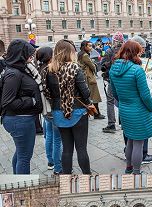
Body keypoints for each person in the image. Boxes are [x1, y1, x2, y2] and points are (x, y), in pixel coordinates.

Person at [109, 40, 152, 175]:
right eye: (138, 52)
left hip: (124, 110)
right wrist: (151, 108)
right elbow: (145, 95)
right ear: (134, 53)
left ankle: (128, 167)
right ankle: (136, 172)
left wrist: (124, 102)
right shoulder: (137, 70)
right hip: (138, 111)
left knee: (130, 140)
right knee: (138, 143)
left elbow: (114, 93)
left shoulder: (113, 68)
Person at [46, 39, 93, 175]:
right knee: (81, 148)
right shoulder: (74, 68)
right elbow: (85, 92)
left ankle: (66, 177)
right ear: (69, 53)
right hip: (77, 111)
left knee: (66, 149)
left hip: (58, 112)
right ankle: (87, 177)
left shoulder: (50, 69)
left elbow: (47, 92)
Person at [1, 39, 43, 174]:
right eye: (28, 54)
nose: (31, 57)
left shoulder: (21, 69)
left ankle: (16, 177)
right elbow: (7, 102)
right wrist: (32, 101)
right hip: (19, 120)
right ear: (20, 54)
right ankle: (23, 187)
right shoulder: (14, 73)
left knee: (21, 154)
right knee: (24, 157)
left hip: (21, 119)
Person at [36, 46, 62, 174]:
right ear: (49, 56)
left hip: (45, 111)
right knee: (57, 138)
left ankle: (50, 161)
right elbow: (55, 91)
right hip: (52, 109)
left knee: (49, 136)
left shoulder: (39, 69)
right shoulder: (50, 70)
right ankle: (58, 167)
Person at [101, 32, 124, 133]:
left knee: (110, 101)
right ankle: (123, 123)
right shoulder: (126, 51)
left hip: (112, 80)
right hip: (124, 80)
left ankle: (111, 124)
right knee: (123, 101)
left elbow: (102, 66)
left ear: (113, 40)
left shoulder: (109, 51)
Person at [78, 41, 104, 120]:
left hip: (85, 78)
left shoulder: (80, 54)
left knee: (88, 96)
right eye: (89, 46)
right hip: (89, 78)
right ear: (84, 47)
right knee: (95, 96)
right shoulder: (85, 55)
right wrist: (93, 64)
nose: (91, 48)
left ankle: (92, 113)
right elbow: (93, 67)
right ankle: (96, 114)